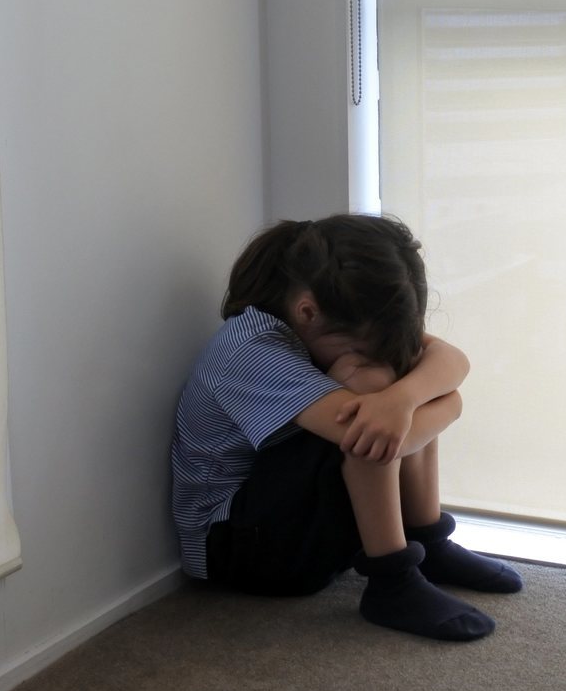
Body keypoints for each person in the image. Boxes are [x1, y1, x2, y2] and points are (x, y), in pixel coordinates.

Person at [171, 213, 521, 643]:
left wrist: (407, 398)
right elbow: (376, 438)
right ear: (308, 312)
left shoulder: (308, 320)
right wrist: (444, 403)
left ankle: (427, 544)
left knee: (401, 377)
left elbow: (451, 359)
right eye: (355, 343)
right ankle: (393, 584)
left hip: (284, 525)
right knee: (372, 385)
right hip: (241, 549)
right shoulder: (250, 349)